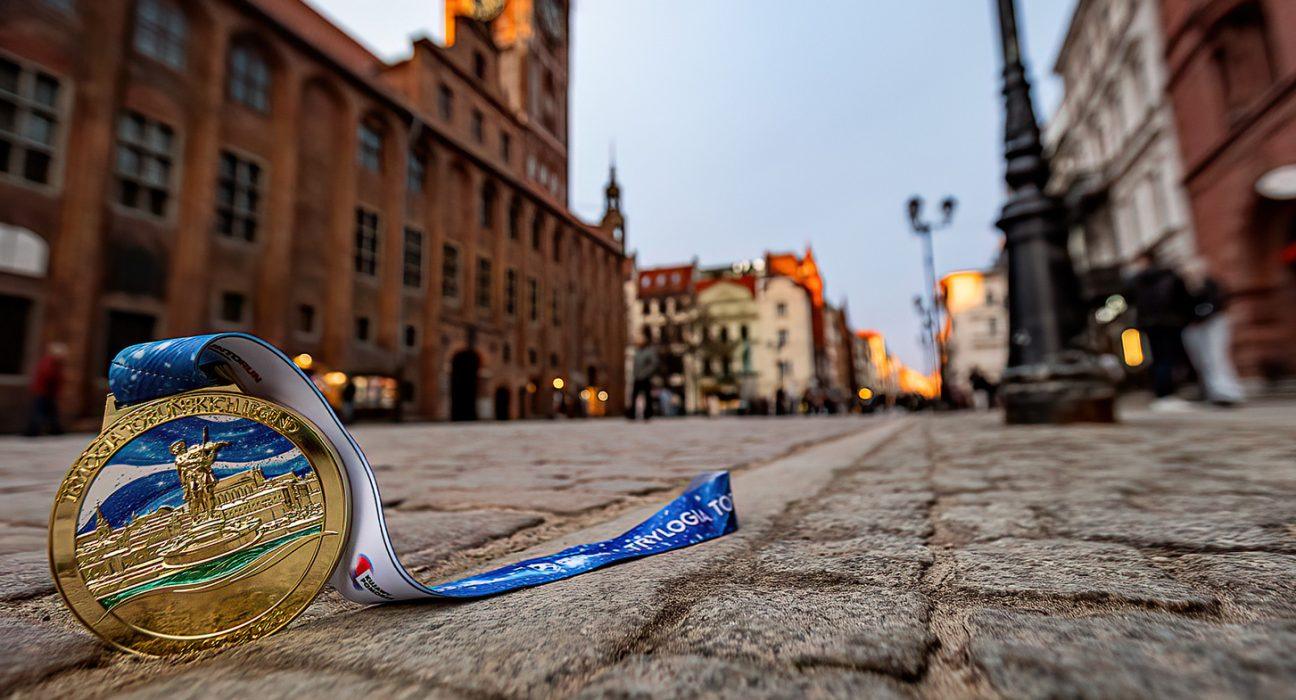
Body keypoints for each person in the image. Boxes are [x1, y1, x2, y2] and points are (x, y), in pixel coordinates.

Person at [1130, 251, 1193, 408]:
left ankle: (1165, 393)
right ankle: (1168, 392)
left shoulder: (1138, 280)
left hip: (1156, 323)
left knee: (1161, 358)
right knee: (1168, 357)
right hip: (1168, 322)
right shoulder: (1168, 276)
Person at [1181, 258, 1245, 406]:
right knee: (1203, 361)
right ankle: (1213, 392)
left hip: (1214, 323)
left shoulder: (1211, 285)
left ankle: (1227, 391)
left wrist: (1205, 313)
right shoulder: (1184, 289)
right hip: (1196, 328)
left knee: (1217, 357)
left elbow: (1219, 302)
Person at [24, 342, 67, 436]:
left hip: (47, 392)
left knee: (48, 411)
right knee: (39, 411)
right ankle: (34, 430)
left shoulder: (54, 363)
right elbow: (48, 377)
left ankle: (54, 429)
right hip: (44, 392)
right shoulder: (50, 363)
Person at [629, 335, 658, 421]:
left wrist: (646, 372)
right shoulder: (637, 352)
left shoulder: (649, 352)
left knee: (647, 396)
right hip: (637, 377)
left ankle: (648, 414)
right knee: (634, 395)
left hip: (645, 377)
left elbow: (654, 363)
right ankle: (632, 414)